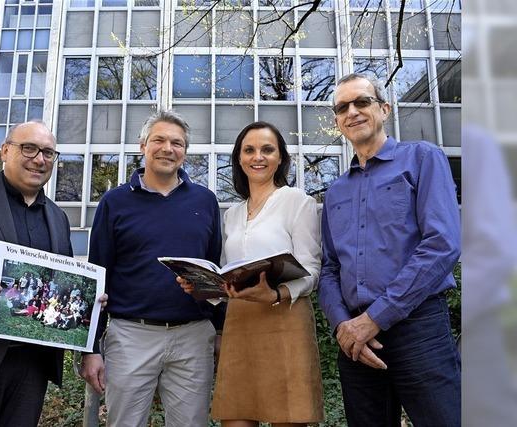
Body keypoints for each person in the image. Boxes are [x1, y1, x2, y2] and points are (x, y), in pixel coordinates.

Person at [0, 120, 106, 426]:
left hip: (32, 368)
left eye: (49, 153)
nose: (39, 159)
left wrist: (87, 301)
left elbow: (58, 290)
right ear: (5, 151)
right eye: (29, 148)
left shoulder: (57, 217)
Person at [318, 73, 461, 426]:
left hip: (419, 327)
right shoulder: (335, 192)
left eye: (361, 102)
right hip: (355, 341)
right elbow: (329, 269)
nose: (352, 111)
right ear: (338, 121)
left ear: (384, 109)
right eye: (342, 107)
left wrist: (375, 318)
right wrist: (343, 327)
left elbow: (442, 244)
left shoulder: (422, 158)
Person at [79, 110, 224, 427]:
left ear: (184, 152)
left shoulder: (205, 201)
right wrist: (90, 349)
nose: (167, 148)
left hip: (193, 337)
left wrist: (219, 331)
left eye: (177, 143)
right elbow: (97, 276)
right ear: (142, 145)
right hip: (131, 335)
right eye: (159, 140)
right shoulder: (114, 202)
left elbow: (214, 271)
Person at [179, 121, 324, 426]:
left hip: (285, 321)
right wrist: (204, 287)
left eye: (267, 149)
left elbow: (311, 271)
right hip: (239, 324)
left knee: (289, 417)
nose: (258, 156)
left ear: (281, 158)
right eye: (249, 150)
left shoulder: (298, 202)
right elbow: (227, 274)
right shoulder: (231, 214)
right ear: (239, 158)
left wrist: (275, 293)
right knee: (236, 416)